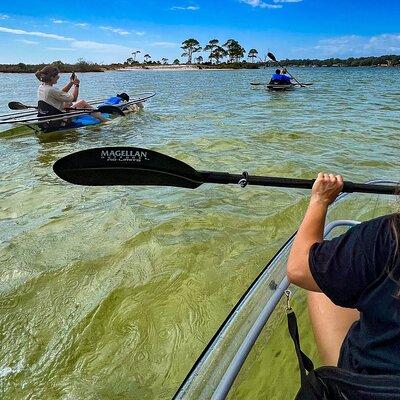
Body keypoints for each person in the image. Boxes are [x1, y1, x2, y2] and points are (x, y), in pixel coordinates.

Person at [287, 172, 400, 376]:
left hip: (367, 384)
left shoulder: (385, 235)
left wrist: (320, 200)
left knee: (321, 280)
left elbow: (298, 269)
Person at [35, 66, 107, 122]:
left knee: (68, 103)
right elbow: (74, 98)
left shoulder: (42, 87)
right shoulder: (51, 89)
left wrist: (71, 83)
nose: (58, 77)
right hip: (59, 119)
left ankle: (96, 114)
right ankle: (104, 120)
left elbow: (60, 93)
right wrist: (76, 85)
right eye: (57, 75)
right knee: (82, 103)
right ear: (52, 77)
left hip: (49, 115)